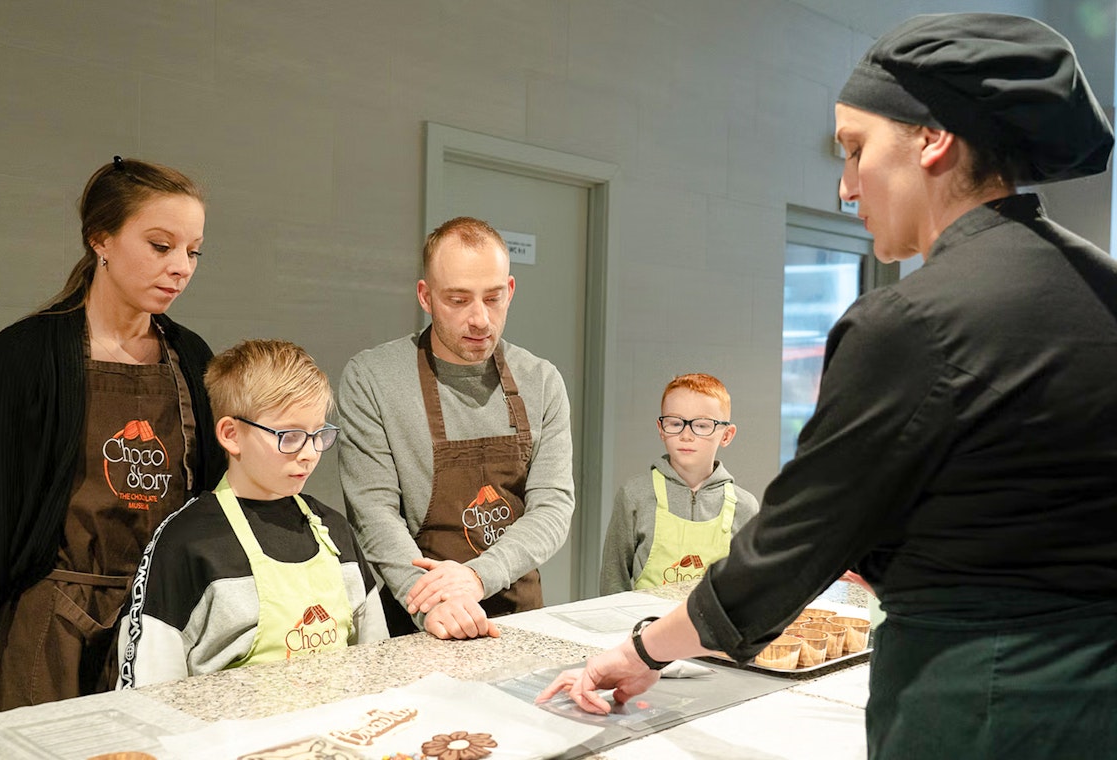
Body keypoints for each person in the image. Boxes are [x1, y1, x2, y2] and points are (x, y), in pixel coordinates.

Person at [540, 13, 1116, 759]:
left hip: (980, 703)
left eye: (855, 149)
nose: (845, 187)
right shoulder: (1101, 289)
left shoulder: (911, 321)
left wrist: (645, 650)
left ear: (934, 138)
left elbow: (789, 548)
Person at [0, 157, 225, 726]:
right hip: (41, 646)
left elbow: (219, 517)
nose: (181, 268)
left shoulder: (194, 361)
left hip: (159, 639)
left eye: (192, 251)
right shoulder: (23, 359)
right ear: (100, 238)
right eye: (160, 245)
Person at [338, 216, 575, 640]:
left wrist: (478, 577)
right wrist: (430, 602)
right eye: (458, 300)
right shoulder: (372, 378)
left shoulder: (541, 380)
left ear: (511, 291)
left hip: (518, 618)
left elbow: (553, 507)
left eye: (494, 297)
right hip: (418, 621)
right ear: (426, 297)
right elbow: (373, 512)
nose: (480, 319)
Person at [117, 340, 388, 687]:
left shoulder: (335, 531)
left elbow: (376, 663)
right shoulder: (187, 543)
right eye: (290, 436)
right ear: (231, 435)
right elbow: (147, 688)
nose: (309, 453)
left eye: (319, 434)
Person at [600, 373, 759, 594]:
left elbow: (751, 587)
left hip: (712, 628)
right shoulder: (635, 495)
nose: (686, 435)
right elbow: (613, 580)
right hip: (645, 626)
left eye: (702, 426)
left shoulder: (745, 506)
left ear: (726, 435)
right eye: (675, 423)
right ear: (661, 429)